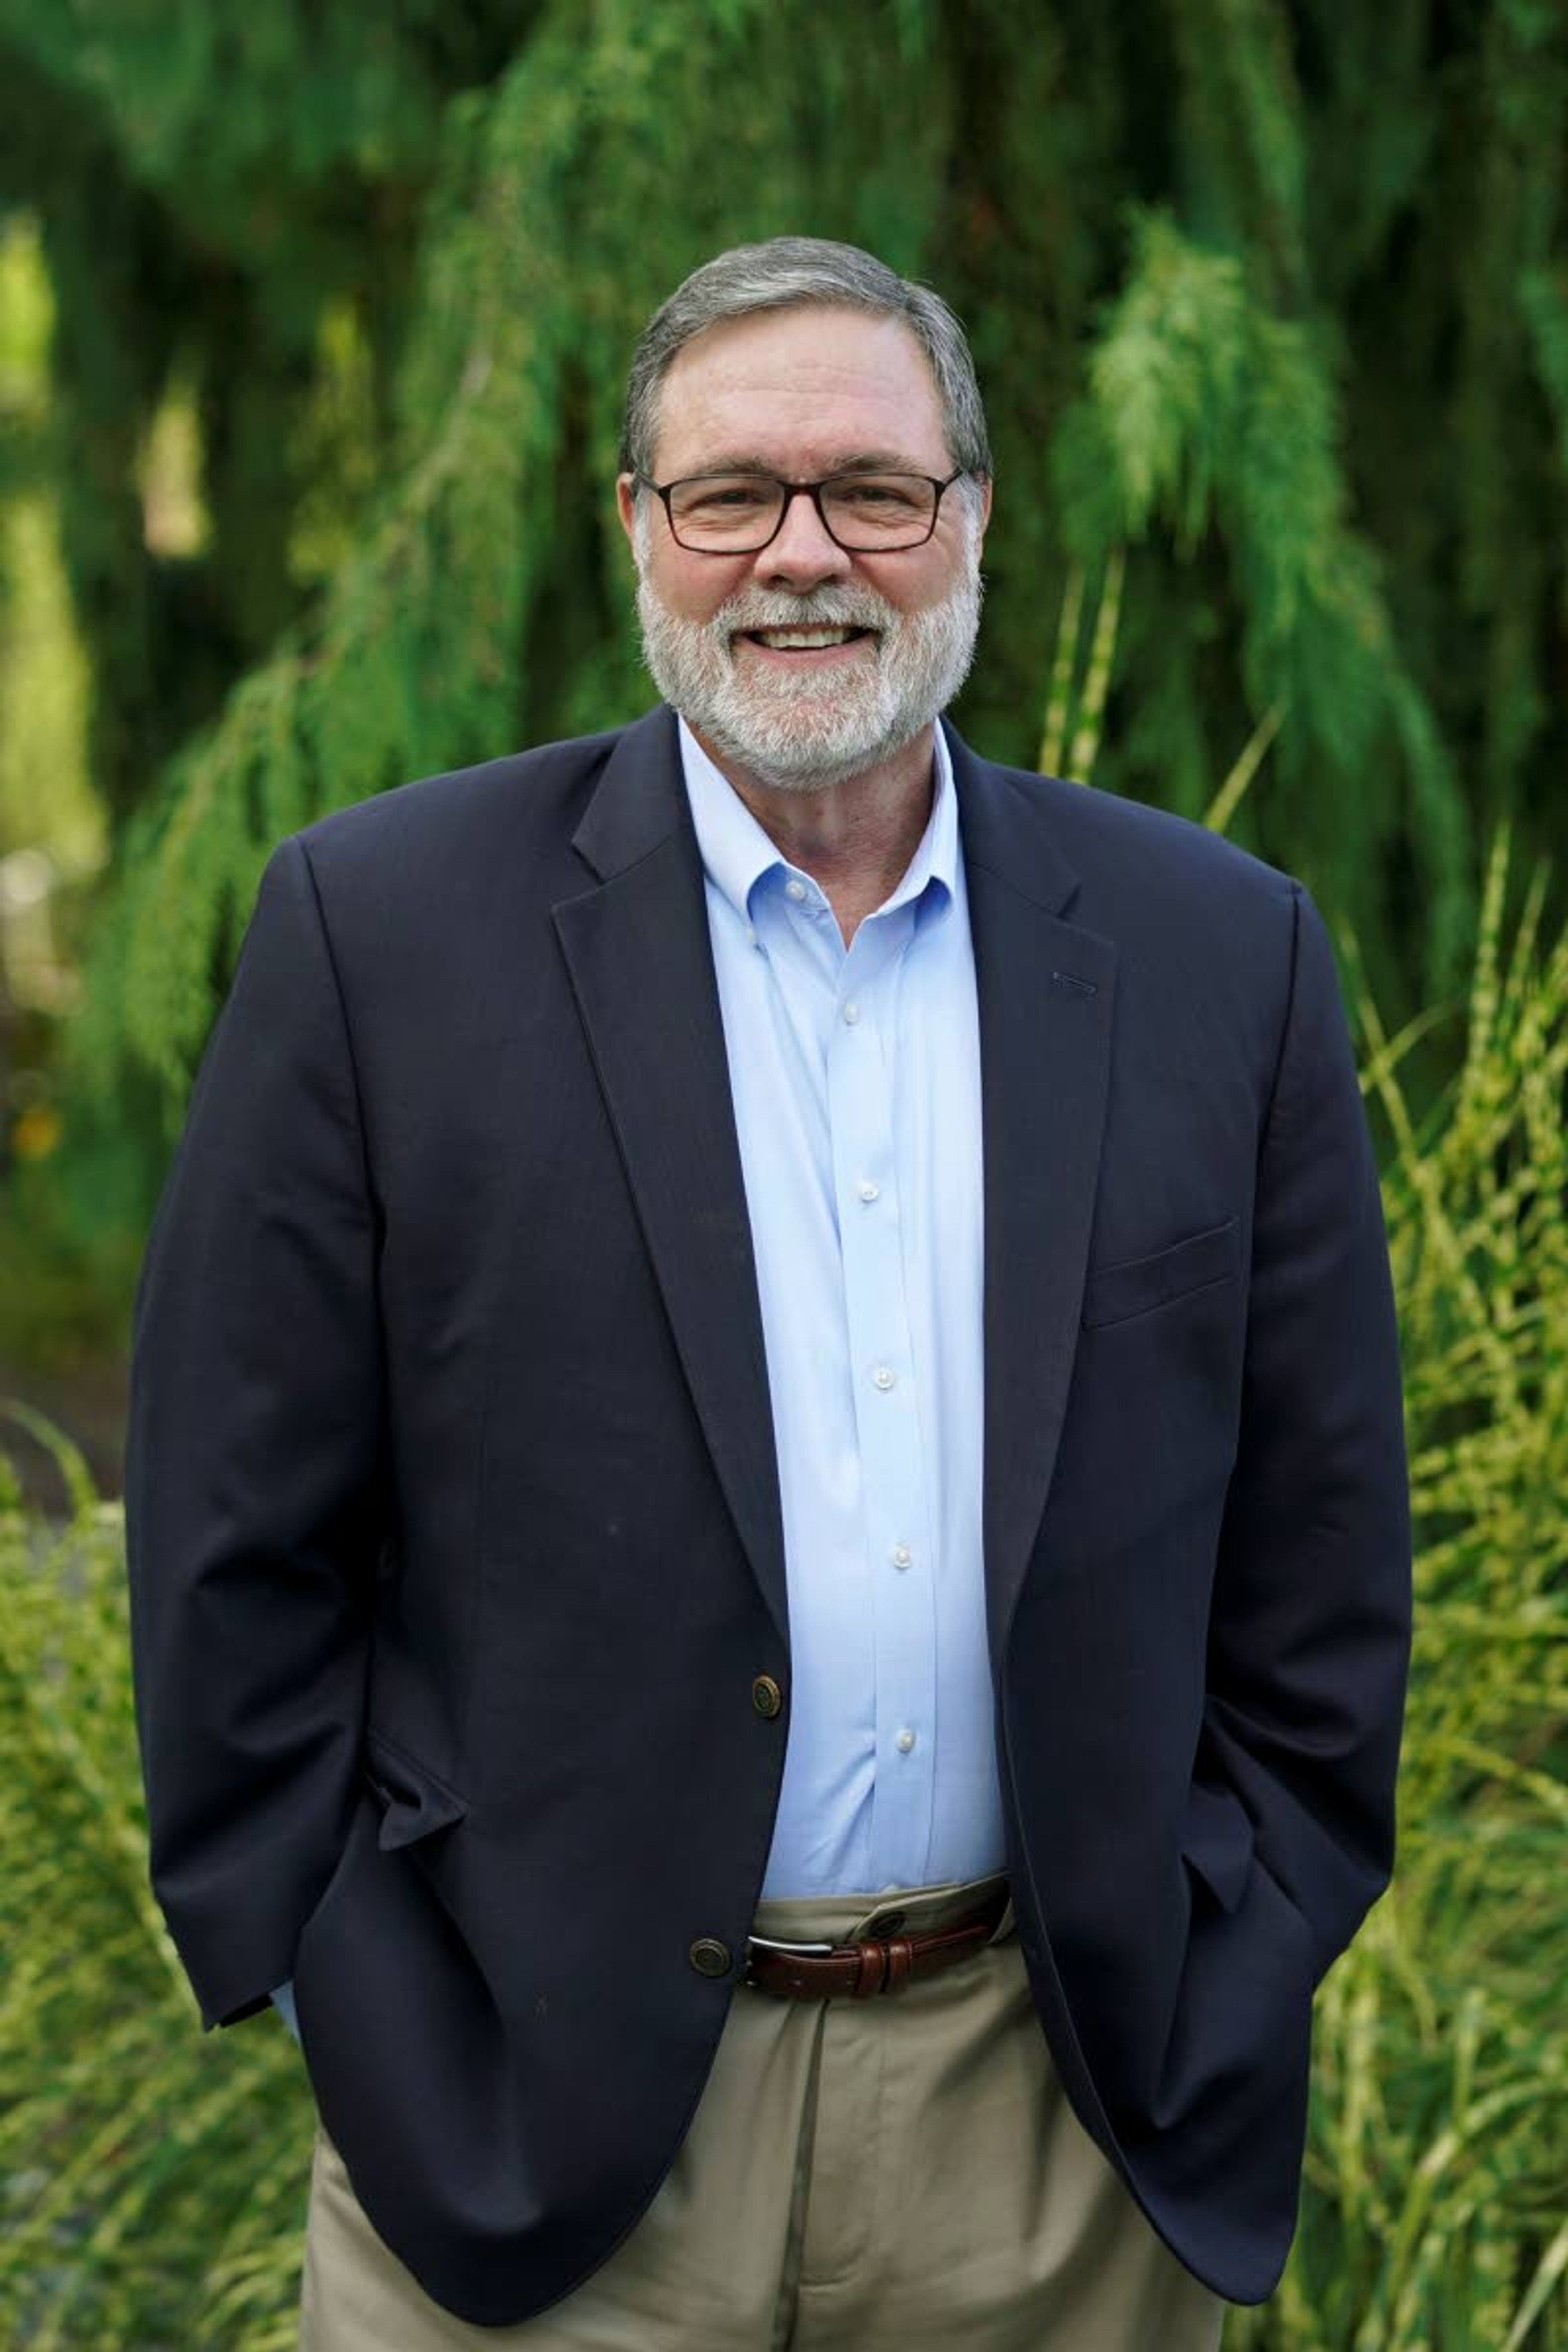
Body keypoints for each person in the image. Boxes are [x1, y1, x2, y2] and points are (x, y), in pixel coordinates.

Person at [125, 236, 1412, 2349]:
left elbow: (1322, 1554)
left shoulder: (1215, 953)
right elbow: (230, 1548)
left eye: (871, 492)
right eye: (731, 494)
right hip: (531, 2149)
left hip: (1054, 2138)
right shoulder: (382, 938)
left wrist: (1238, 1942)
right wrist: (348, 1978)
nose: (801, 556)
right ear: (639, 529)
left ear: (969, 520)